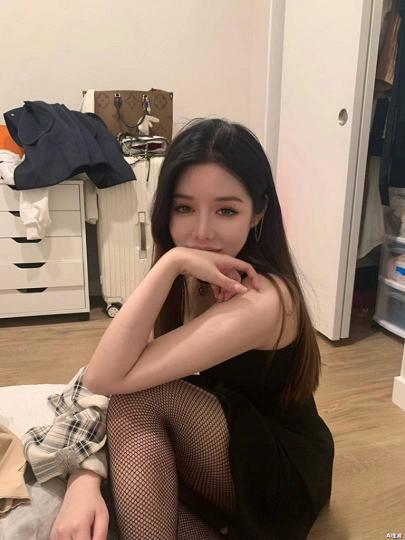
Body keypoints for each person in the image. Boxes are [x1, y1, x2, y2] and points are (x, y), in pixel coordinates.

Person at [32, 118, 334, 539]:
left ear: (258, 212)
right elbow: (112, 369)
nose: (202, 233)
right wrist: (85, 477)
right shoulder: (196, 274)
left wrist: (171, 261)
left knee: (139, 399)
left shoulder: (263, 300)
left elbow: (106, 379)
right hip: (221, 439)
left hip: (278, 472)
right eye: (184, 208)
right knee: (126, 493)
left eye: (226, 210)